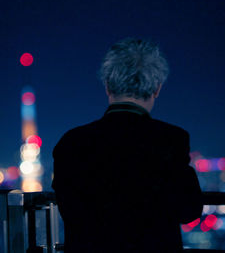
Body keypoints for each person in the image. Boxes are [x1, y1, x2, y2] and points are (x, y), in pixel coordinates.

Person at [52, 38, 203, 253]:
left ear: (107, 86)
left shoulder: (72, 142)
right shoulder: (170, 139)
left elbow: (69, 210)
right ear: (157, 88)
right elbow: (189, 210)